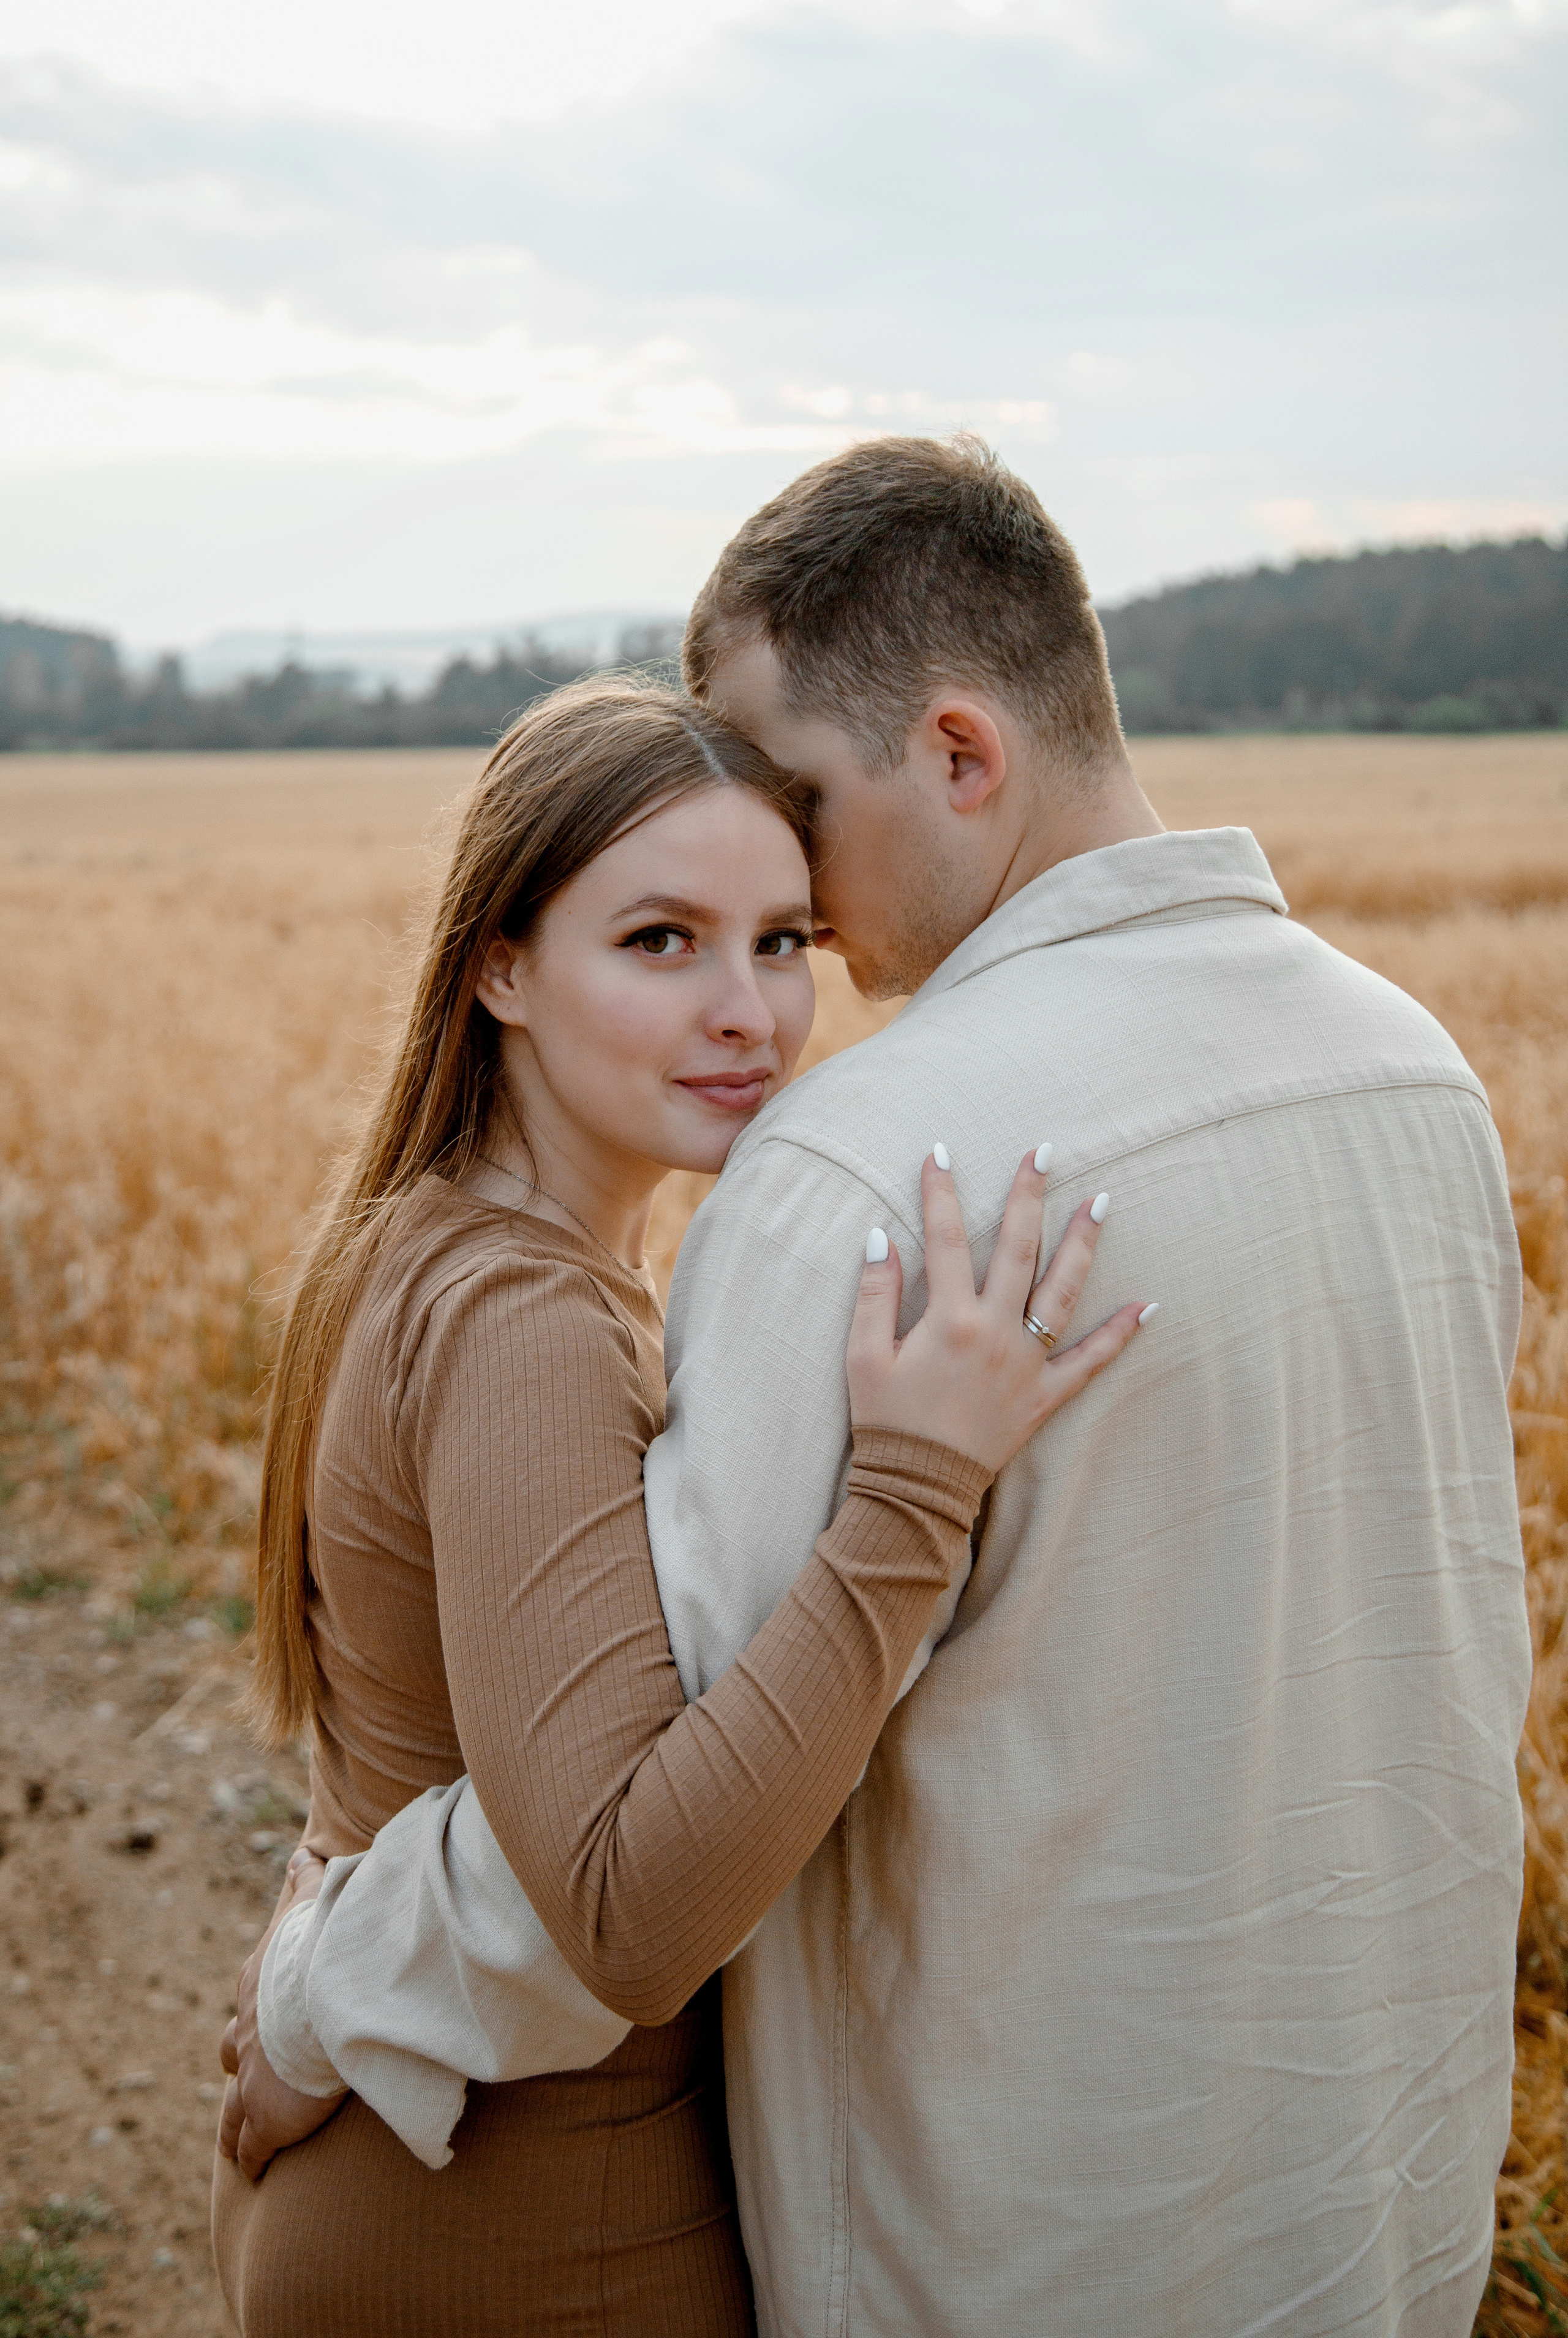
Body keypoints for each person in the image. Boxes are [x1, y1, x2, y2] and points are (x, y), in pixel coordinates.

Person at [227, 440, 1530, 2336]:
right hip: (1372, 2208)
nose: (804, 923)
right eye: (674, 929)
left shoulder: (873, 1165)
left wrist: (321, 1990)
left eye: (805, 810)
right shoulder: (1418, 1078)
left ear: (960, 753)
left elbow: (597, 1865)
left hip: (1003, 2236)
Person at [208, 673, 1147, 2337]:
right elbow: (631, 1915)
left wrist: (312, 1994)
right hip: (527, 2237)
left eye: (782, 940)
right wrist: (916, 1492)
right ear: (500, 964)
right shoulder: (530, 1328)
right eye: (661, 941)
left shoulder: (425, 1241)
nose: (750, 1012)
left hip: (418, 2186)